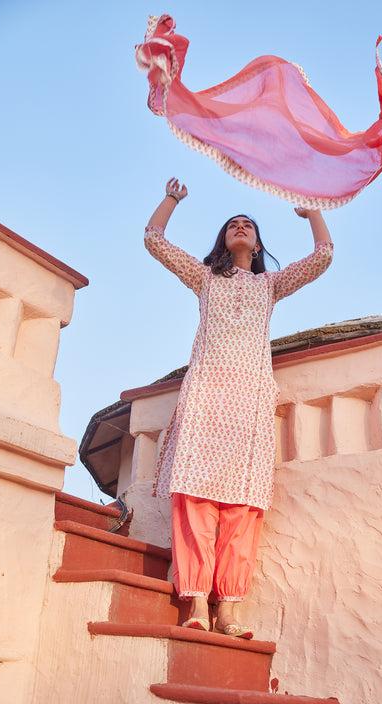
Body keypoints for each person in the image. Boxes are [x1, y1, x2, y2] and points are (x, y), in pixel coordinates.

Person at [145, 177, 334, 638]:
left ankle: (227, 612)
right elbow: (153, 240)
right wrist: (172, 199)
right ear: (223, 240)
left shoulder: (269, 284)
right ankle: (193, 602)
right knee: (194, 497)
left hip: (249, 399)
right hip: (207, 393)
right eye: (233, 224)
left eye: (248, 224)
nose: (241, 227)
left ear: (257, 241)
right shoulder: (205, 277)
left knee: (241, 507)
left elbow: (324, 256)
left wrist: (312, 213)